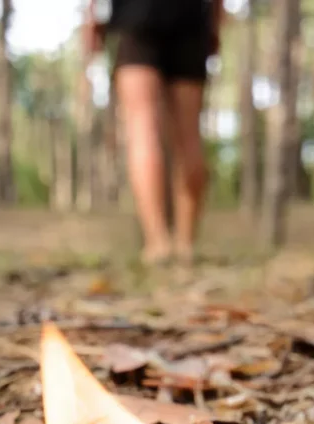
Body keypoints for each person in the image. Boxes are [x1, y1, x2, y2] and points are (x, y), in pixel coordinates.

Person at [83, 0, 223, 266]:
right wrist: (215, 24)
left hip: (136, 17)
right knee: (189, 134)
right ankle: (185, 243)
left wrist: (92, 19)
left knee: (142, 130)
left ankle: (158, 243)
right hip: (192, 19)